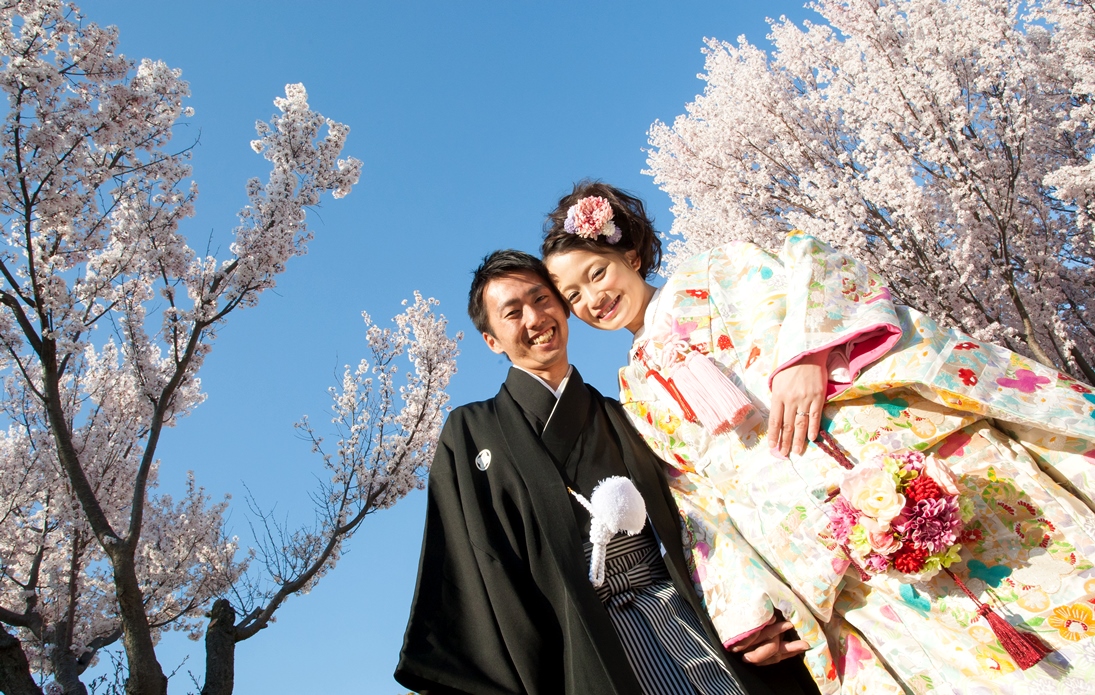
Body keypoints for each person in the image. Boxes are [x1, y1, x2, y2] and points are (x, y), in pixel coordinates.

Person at [541, 181, 1095, 694]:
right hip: (831, 550)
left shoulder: (720, 270)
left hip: (914, 467)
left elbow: (817, 262)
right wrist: (746, 618)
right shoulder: (634, 390)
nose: (592, 299)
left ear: (629, 256)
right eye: (572, 296)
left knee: (1056, 584)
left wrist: (809, 356)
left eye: (596, 273)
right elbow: (698, 499)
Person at [394, 250, 817, 695]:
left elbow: (704, 509)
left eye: (543, 300)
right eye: (513, 312)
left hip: (681, 612)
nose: (536, 318)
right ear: (492, 340)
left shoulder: (625, 411)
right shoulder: (471, 431)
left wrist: (752, 611)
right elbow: (468, 563)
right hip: (583, 645)